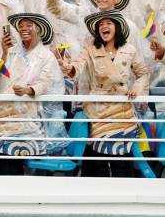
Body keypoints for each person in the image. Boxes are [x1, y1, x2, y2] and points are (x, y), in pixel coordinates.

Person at [62, 11, 150, 177]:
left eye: (108, 23)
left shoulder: (129, 49)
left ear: (116, 27)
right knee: (97, 155)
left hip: (122, 110)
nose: (104, 26)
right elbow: (76, 66)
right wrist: (68, 67)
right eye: (101, 25)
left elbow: (143, 73)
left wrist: (136, 90)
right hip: (98, 110)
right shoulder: (89, 50)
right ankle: (96, 196)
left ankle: (124, 196)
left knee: (122, 155)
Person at [0, 13, 59, 175]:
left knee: (29, 159)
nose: (24, 29)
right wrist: (4, 53)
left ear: (38, 29)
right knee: (2, 161)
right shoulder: (11, 51)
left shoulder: (47, 55)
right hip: (5, 115)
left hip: (31, 114)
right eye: (21, 26)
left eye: (29, 25)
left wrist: (28, 90)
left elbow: (45, 82)